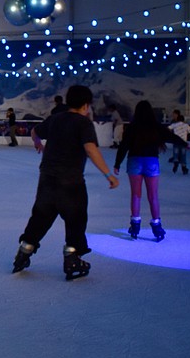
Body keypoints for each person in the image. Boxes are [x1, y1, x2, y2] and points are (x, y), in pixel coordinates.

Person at [12, 85, 119, 280]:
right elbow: (91, 149)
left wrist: (37, 143)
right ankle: (72, 258)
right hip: (71, 181)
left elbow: (34, 131)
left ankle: (24, 251)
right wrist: (108, 174)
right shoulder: (83, 123)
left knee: (40, 216)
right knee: (76, 218)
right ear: (86, 105)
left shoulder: (55, 119)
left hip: (47, 178)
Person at [113, 100, 187, 242]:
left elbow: (124, 146)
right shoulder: (156, 126)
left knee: (136, 195)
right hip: (151, 162)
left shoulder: (132, 127)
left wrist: (117, 163)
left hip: (134, 161)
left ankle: (135, 226)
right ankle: (157, 226)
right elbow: (170, 137)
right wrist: (184, 144)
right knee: (153, 196)